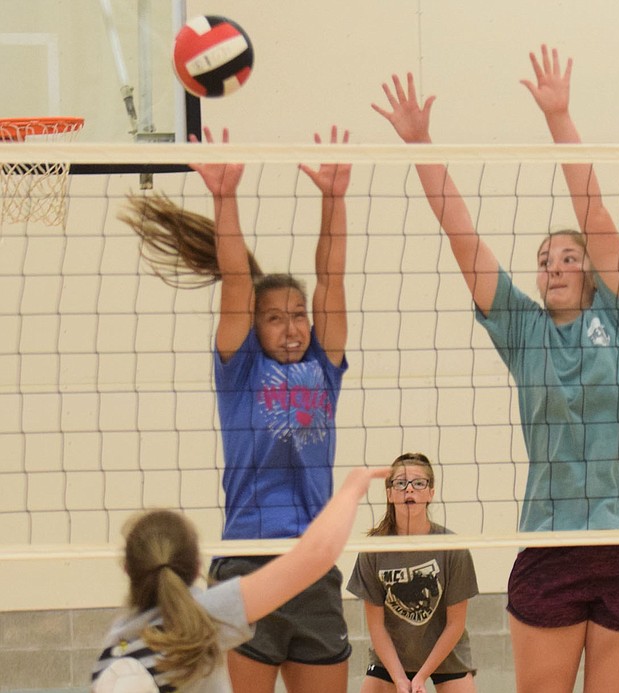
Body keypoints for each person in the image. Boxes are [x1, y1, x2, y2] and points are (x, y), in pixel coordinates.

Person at [373, 45, 619, 693]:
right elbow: (461, 234)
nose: (556, 265)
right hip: (553, 545)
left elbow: (594, 213)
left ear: (592, 272)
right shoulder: (523, 328)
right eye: (545, 259)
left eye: (569, 257)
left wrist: (559, 117)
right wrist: (421, 143)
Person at [119, 125, 354, 693]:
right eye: (276, 316)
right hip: (249, 563)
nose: (293, 326)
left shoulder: (325, 365)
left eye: (299, 315)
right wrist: (224, 199)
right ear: (256, 324)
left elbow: (332, 277)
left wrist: (334, 199)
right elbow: (235, 280)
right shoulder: (241, 369)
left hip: (314, 568)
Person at [90, 466, 390, 693]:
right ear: (197, 567)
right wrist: (351, 490)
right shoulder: (206, 615)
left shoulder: (116, 639)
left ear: (127, 568)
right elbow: (316, 555)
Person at [347, 453, 478, 693]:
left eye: (419, 483)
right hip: (392, 657)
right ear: (389, 494)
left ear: (430, 493)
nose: (410, 490)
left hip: (445, 654)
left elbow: (455, 624)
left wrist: (421, 677)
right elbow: (376, 627)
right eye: (400, 483)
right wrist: (399, 679)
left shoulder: (452, 547)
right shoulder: (374, 548)